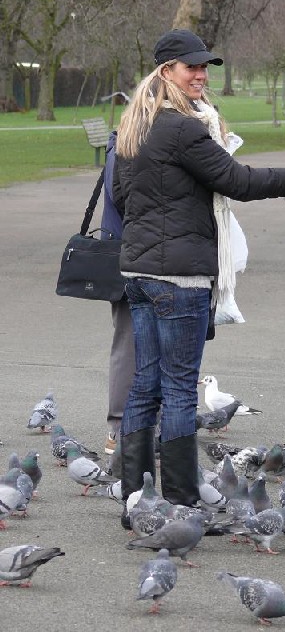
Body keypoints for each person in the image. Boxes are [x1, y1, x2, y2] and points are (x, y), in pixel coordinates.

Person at [113, 28, 285, 526]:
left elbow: (121, 199)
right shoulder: (181, 128)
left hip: (137, 272)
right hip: (179, 277)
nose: (200, 74)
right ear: (166, 72)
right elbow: (237, 181)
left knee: (144, 386)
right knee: (178, 389)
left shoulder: (135, 127)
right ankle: (178, 500)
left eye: (204, 66)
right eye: (189, 67)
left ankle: (135, 498)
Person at [101, 132, 136, 455]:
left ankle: (132, 426)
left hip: (137, 254)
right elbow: (126, 200)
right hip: (129, 258)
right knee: (128, 343)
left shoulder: (125, 144)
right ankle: (119, 428)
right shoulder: (127, 148)